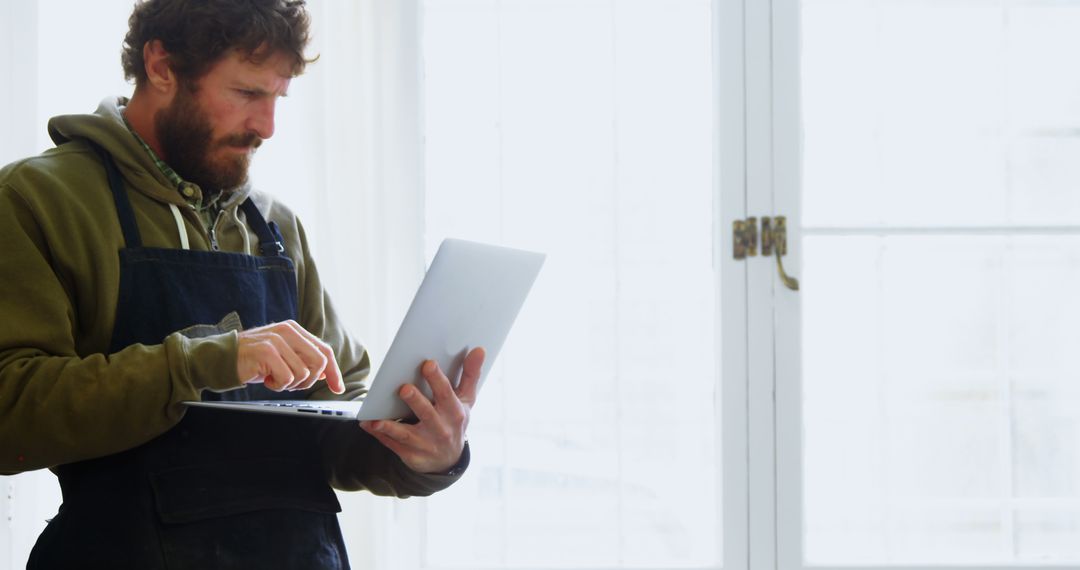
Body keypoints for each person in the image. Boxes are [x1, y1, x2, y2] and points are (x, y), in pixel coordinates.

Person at [0, 1, 483, 567]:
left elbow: (340, 409)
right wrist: (201, 365)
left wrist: (423, 451)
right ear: (161, 66)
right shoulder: (38, 200)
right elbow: (11, 413)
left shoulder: (274, 224)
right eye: (248, 94)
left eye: (278, 97)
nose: (267, 126)